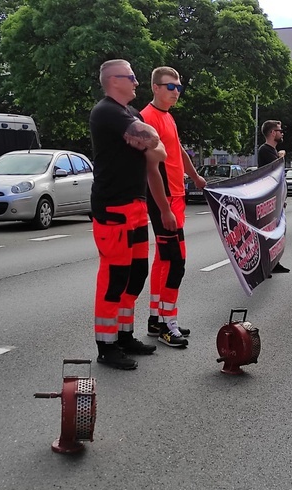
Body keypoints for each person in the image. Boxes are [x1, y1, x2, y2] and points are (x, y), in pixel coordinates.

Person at [89, 59, 177, 370]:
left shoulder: (130, 114)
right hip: (113, 209)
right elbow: (153, 142)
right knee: (114, 278)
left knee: (136, 274)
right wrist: (151, 142)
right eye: (131, 77)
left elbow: (154, 156)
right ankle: (106, 344)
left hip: (136, 207)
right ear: (114, 81)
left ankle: (124, 335)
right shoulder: (107, 112)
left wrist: (164, 207)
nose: (137, 82)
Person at [140, 66, 207, 348]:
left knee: (164, 261)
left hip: (176, 197)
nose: (176, 92)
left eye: (178, 87)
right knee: (176, 263)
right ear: (155, 87)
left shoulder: (168, 117)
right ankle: (169, 324)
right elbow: (150, 167)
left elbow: (178, 150)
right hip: (163, 199)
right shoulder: (146, 118)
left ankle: (156, 318)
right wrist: (163, 207)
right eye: (170, 87)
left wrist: (194, 176)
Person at [257, 120, 290, 274]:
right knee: (269, 232)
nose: (281, 133)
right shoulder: (265, 150)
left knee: (278, 231)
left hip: (276, 198)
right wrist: (281, 155)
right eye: (279, 130)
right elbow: (275, 168)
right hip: (269, 198)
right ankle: (266, 265)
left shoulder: (271, 151)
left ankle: (274, 262)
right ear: (272, 133)